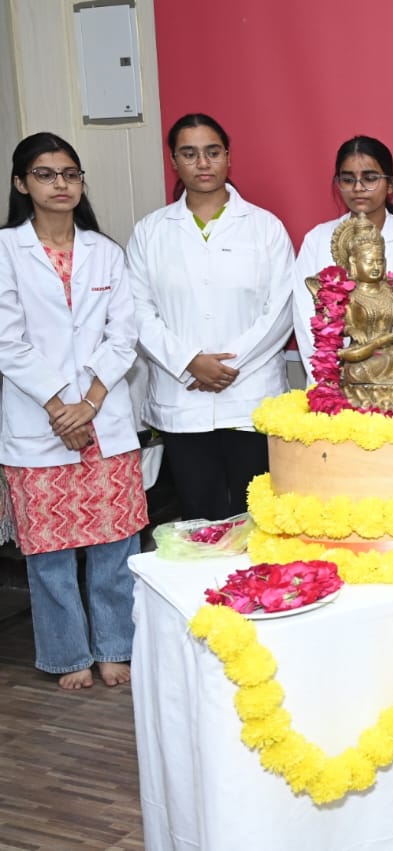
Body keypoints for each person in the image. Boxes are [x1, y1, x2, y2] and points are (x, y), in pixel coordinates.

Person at [0, 132, 148, 689]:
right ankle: (67, 655)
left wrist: (87, 404)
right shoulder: (5, 250)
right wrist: (59, 406)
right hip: (37, 421)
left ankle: (116, 647)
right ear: (21, 184)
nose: (60, 184)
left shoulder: (105, 251)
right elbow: (7, 340)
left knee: (116, 543)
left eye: (70, 173)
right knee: (50, 553)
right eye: (45, 174)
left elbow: (123, 335)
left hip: (101, 416)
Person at [126, 113, 295, 522]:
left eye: (212, 152)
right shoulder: (150, 232)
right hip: (181, 399)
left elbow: (282, 309)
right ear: (174, 161)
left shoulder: (265, 228)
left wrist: (226, 366)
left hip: (249, 396)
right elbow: (137, 310)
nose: (203, 163)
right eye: (190, 153)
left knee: (255, 517)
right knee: (198, 518)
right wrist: (189, 363)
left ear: (228, 157)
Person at [293, 136, 393, 385]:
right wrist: (330, 374)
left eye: (370, 178)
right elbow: (307, 320)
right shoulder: (317, 240)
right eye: (348, 180)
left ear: (390, 185)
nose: (358, 187)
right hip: (337, 372)